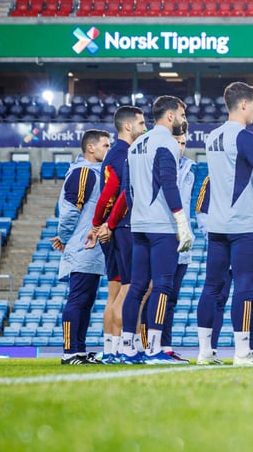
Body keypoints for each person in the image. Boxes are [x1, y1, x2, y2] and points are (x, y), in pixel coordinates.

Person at [119, 95, 193, 364]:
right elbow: (168, 183)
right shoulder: (166, 142)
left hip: (138, 225)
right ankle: (154, 348)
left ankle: (127, 348)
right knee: (162, 286)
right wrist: (182, 223)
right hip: (161, 226)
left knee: (137, 287)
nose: (184, 121)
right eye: (182, 115)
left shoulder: (136, 144)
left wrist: (138, 216)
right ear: (170, 116)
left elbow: (127, 190)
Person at [197, 82, 253, 366]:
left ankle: (204, 352)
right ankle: (241, 352)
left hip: (217, 223)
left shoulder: (212, 136)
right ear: (244, 105)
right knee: (246, 288)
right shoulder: (246, 137)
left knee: (211, 287)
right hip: (243, 223)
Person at [84, 105, 145, 363]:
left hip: (112, 229)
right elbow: (117, 194)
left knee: (115, 292)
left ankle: (111, 348)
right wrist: (107, 223)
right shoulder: (125, 153)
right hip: (123, 227)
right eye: (142, 124)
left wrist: (99, 223)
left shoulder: (112, 155)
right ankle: (123, 348)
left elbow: (107, 194)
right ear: (128, 126)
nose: (145, 128)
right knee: (130, 291)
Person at [54, 129, 110, 364]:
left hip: (90, 248)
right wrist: (65, 238)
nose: (109, 149)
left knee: (85, 301)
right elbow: (68, 211)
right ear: (91, 148)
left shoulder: (96, 172)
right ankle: (69, 352)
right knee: (78, 299)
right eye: (105, 146)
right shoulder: (84, 172)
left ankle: (78, 350)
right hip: (82, 246)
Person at [160, 122, 198, 362]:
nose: (181, 147)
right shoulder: (158, 166)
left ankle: (165, 346)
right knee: (155, 294)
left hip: (182, 243)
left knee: (171, 299)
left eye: (183, 143)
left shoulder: (190, 170)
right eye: (177, 142)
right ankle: (146, 344)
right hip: (161, 238)